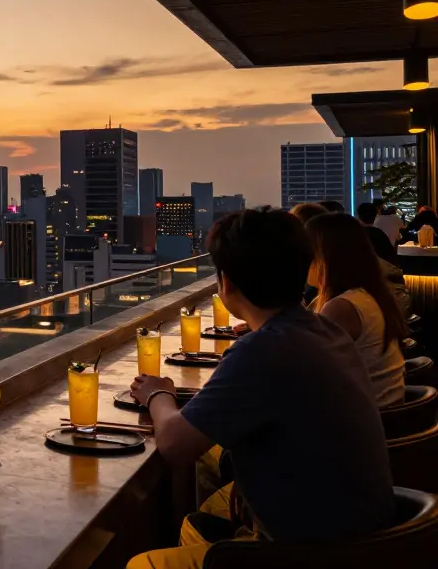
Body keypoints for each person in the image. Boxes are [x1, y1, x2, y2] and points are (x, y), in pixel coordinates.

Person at [126, 209, 394, 569]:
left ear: (227, 284)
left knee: (142, 564)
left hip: (315, 551)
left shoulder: (264, 349)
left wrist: (158, 393)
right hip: (366, 537)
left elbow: (175, 445)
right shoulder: (322, 330)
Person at [305, 212, 408, 406]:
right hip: (383, 414)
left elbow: (309, 372)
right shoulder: (367, 295)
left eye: (307, 254)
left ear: (327, 258)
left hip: (367, 423)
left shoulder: (342, 307)